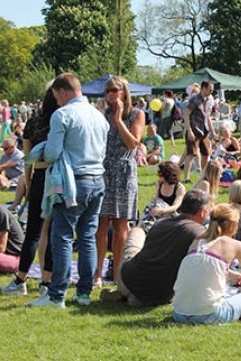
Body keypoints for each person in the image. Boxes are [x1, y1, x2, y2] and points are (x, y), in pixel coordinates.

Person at [28, 73, 109, 308]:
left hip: (73, 182)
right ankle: (83, 294)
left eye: (56, 96)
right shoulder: (98, 115)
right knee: (87, 237)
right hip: (97, 180)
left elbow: (52, 153)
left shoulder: (62, 115)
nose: (57, 101)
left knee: (61, 237)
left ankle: (56, 295)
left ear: (62, 91)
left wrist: (40, 152)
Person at [99, 190, 210, 306]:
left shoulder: (161, 224)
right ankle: (131, 296)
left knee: (137, 231)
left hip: (130, 280)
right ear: (202, 212)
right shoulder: (199, 234)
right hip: (161, 294)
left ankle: (124, 292)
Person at [172, 204, 241, 325]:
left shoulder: (197, 242)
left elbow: (200, 269)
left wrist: (229, 273)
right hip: (210, 315)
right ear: (234, 226)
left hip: (179, 314)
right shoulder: (235, 245)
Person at [0, 86, 58, 297]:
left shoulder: (34, 122)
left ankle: (21, 279)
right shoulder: (61, 120)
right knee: (51, 232)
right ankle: (46, 281)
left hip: (40, 176)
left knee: (33, 232)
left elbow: (28, 158)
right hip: (58, 177)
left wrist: (28, 180)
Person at [95, 76, 145, 287]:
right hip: (103, 170)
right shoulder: (102, 115)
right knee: (100, 224)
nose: (111, 95)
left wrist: (117, 119)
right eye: (107, 91)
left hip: (124, 171)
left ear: (124, 91)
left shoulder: (136, 114)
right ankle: (97, 272)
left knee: (120, 226)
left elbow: (133, 143)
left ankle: (117, 273)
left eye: (115, 90)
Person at [183, 80, 217, 184]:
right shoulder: (195, 99)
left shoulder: (211, 99)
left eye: (212, 89)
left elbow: (208, 117)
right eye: (209, 89)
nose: (211, 91)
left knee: (206, 154)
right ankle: (186, 179)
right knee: (191, 154)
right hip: (194, 129)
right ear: (203, 88)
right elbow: (186, 114)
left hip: (205, 131)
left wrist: (213, 132)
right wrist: (190, 131)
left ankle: (203, 176)